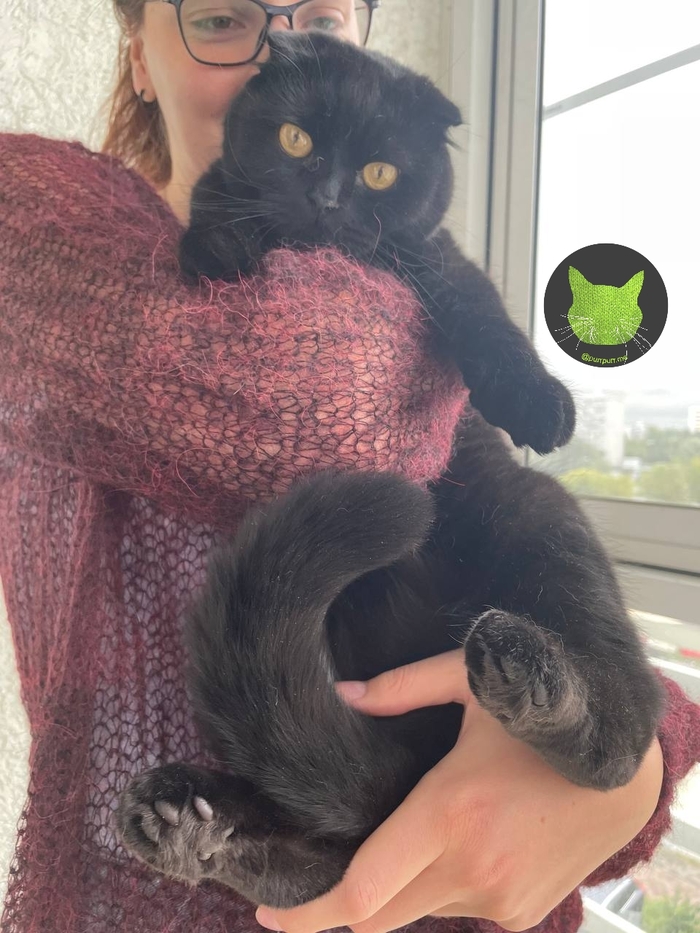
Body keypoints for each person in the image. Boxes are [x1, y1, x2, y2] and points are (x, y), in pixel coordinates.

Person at [0, 2, 697, 932]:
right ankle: (279, 843)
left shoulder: (393, 245)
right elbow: (316, 385)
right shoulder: (37, 233)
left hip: (476, 845)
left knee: (531, 514)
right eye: (222, 17)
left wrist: (628, 770)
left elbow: (646, 725)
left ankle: (575, 721)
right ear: (137, 54)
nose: (275, 48)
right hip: (196, 860)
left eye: (321, 18)